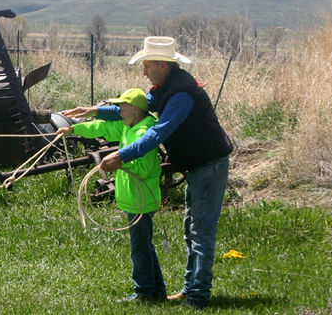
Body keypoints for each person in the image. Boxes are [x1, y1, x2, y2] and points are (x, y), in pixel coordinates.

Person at [62, 36, 233, 309]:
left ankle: (199, 298)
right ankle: (191, 290)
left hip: (209, 167)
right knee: (192, 230)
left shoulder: (181, 96)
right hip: (199, 166)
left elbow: (157, 133)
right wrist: (95, 111)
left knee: (200, 233)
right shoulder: (168, 87)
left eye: (148, 65)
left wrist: (121, 154)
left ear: (163, 66)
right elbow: (142, 106)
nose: (144, 71)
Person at [56, 88, 167, 303]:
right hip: (135, 199)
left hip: (140, 201)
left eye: (122, 108)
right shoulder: (129, 126)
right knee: (145, 246)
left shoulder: (145, 132)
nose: (119, 112)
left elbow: (143, 170)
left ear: (135, 109)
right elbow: (102, 128)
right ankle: (157, 292)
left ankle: (144, 293)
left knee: (139, 248)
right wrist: (74, 129)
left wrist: (120, 162)